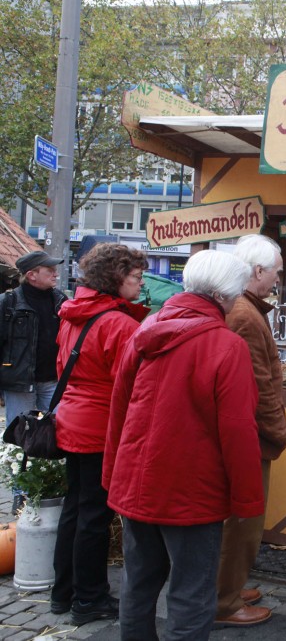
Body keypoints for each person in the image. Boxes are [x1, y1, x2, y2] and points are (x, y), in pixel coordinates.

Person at [103, 250, 263, 641]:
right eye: (236, 294)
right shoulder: (226, 346)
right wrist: (247, 500)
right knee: (191, 594)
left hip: (139, 483)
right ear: (223, 296)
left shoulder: (146, 328)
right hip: (192, 492)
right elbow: (239, 430)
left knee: (138, 583)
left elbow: (119, 410)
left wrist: (113, 476)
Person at [51, 244, 150, 624]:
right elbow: (132, 384)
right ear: (115, 277)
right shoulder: (118, 324)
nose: (140, 284)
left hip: (72, 420)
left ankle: (64, 592)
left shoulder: (73, 314)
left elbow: (61, 365)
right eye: (136, 277)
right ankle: (89, 598)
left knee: (75, 508)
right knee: (94, 515)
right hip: (100, 426)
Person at [215, 235, 286, 627]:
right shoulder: (245, 314)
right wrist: (280, 431)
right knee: (241, 521)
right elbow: (258, 384)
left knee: (239, 519)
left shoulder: (245, 308)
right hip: (250, 436)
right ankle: (223, 602)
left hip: (247, 432)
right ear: (258, 271)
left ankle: (228, 587)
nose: (278, 279)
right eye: (276, 272)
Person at [0, 251, 67, 426]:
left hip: (54, 380)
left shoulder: (61, 301)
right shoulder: (8, 303)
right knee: (21, 432)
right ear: (32, 275)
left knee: (61, 430)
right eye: (50, 270)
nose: (55, 274)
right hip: (19, 383)